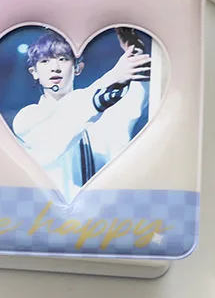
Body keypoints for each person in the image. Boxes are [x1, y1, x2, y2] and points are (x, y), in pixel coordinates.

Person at [11, 29, 151, 201]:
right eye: (45, 61)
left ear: (78, 67)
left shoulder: (106, 112)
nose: (55, 68)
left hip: (109, 212)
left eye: (63, 59)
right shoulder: (27, 119)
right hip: (54, 214)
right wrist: (112, 77)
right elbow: (63, 123)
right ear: (34, 72)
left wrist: (136, 54)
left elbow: (138, 94)